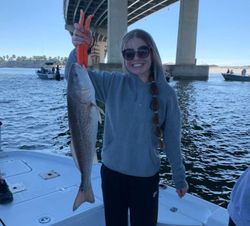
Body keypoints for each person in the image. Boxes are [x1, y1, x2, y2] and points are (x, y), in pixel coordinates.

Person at [65, 25, 188, 226]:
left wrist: (179, 176)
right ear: (124, 57)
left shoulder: (167, 94)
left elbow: (172, 139)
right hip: (112, 174)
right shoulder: (112, 83)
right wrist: (81, 47)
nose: (136, 58)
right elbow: (74, 76)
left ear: (152, 52)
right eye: (129, 53)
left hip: (145, 179)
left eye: (142, 51)